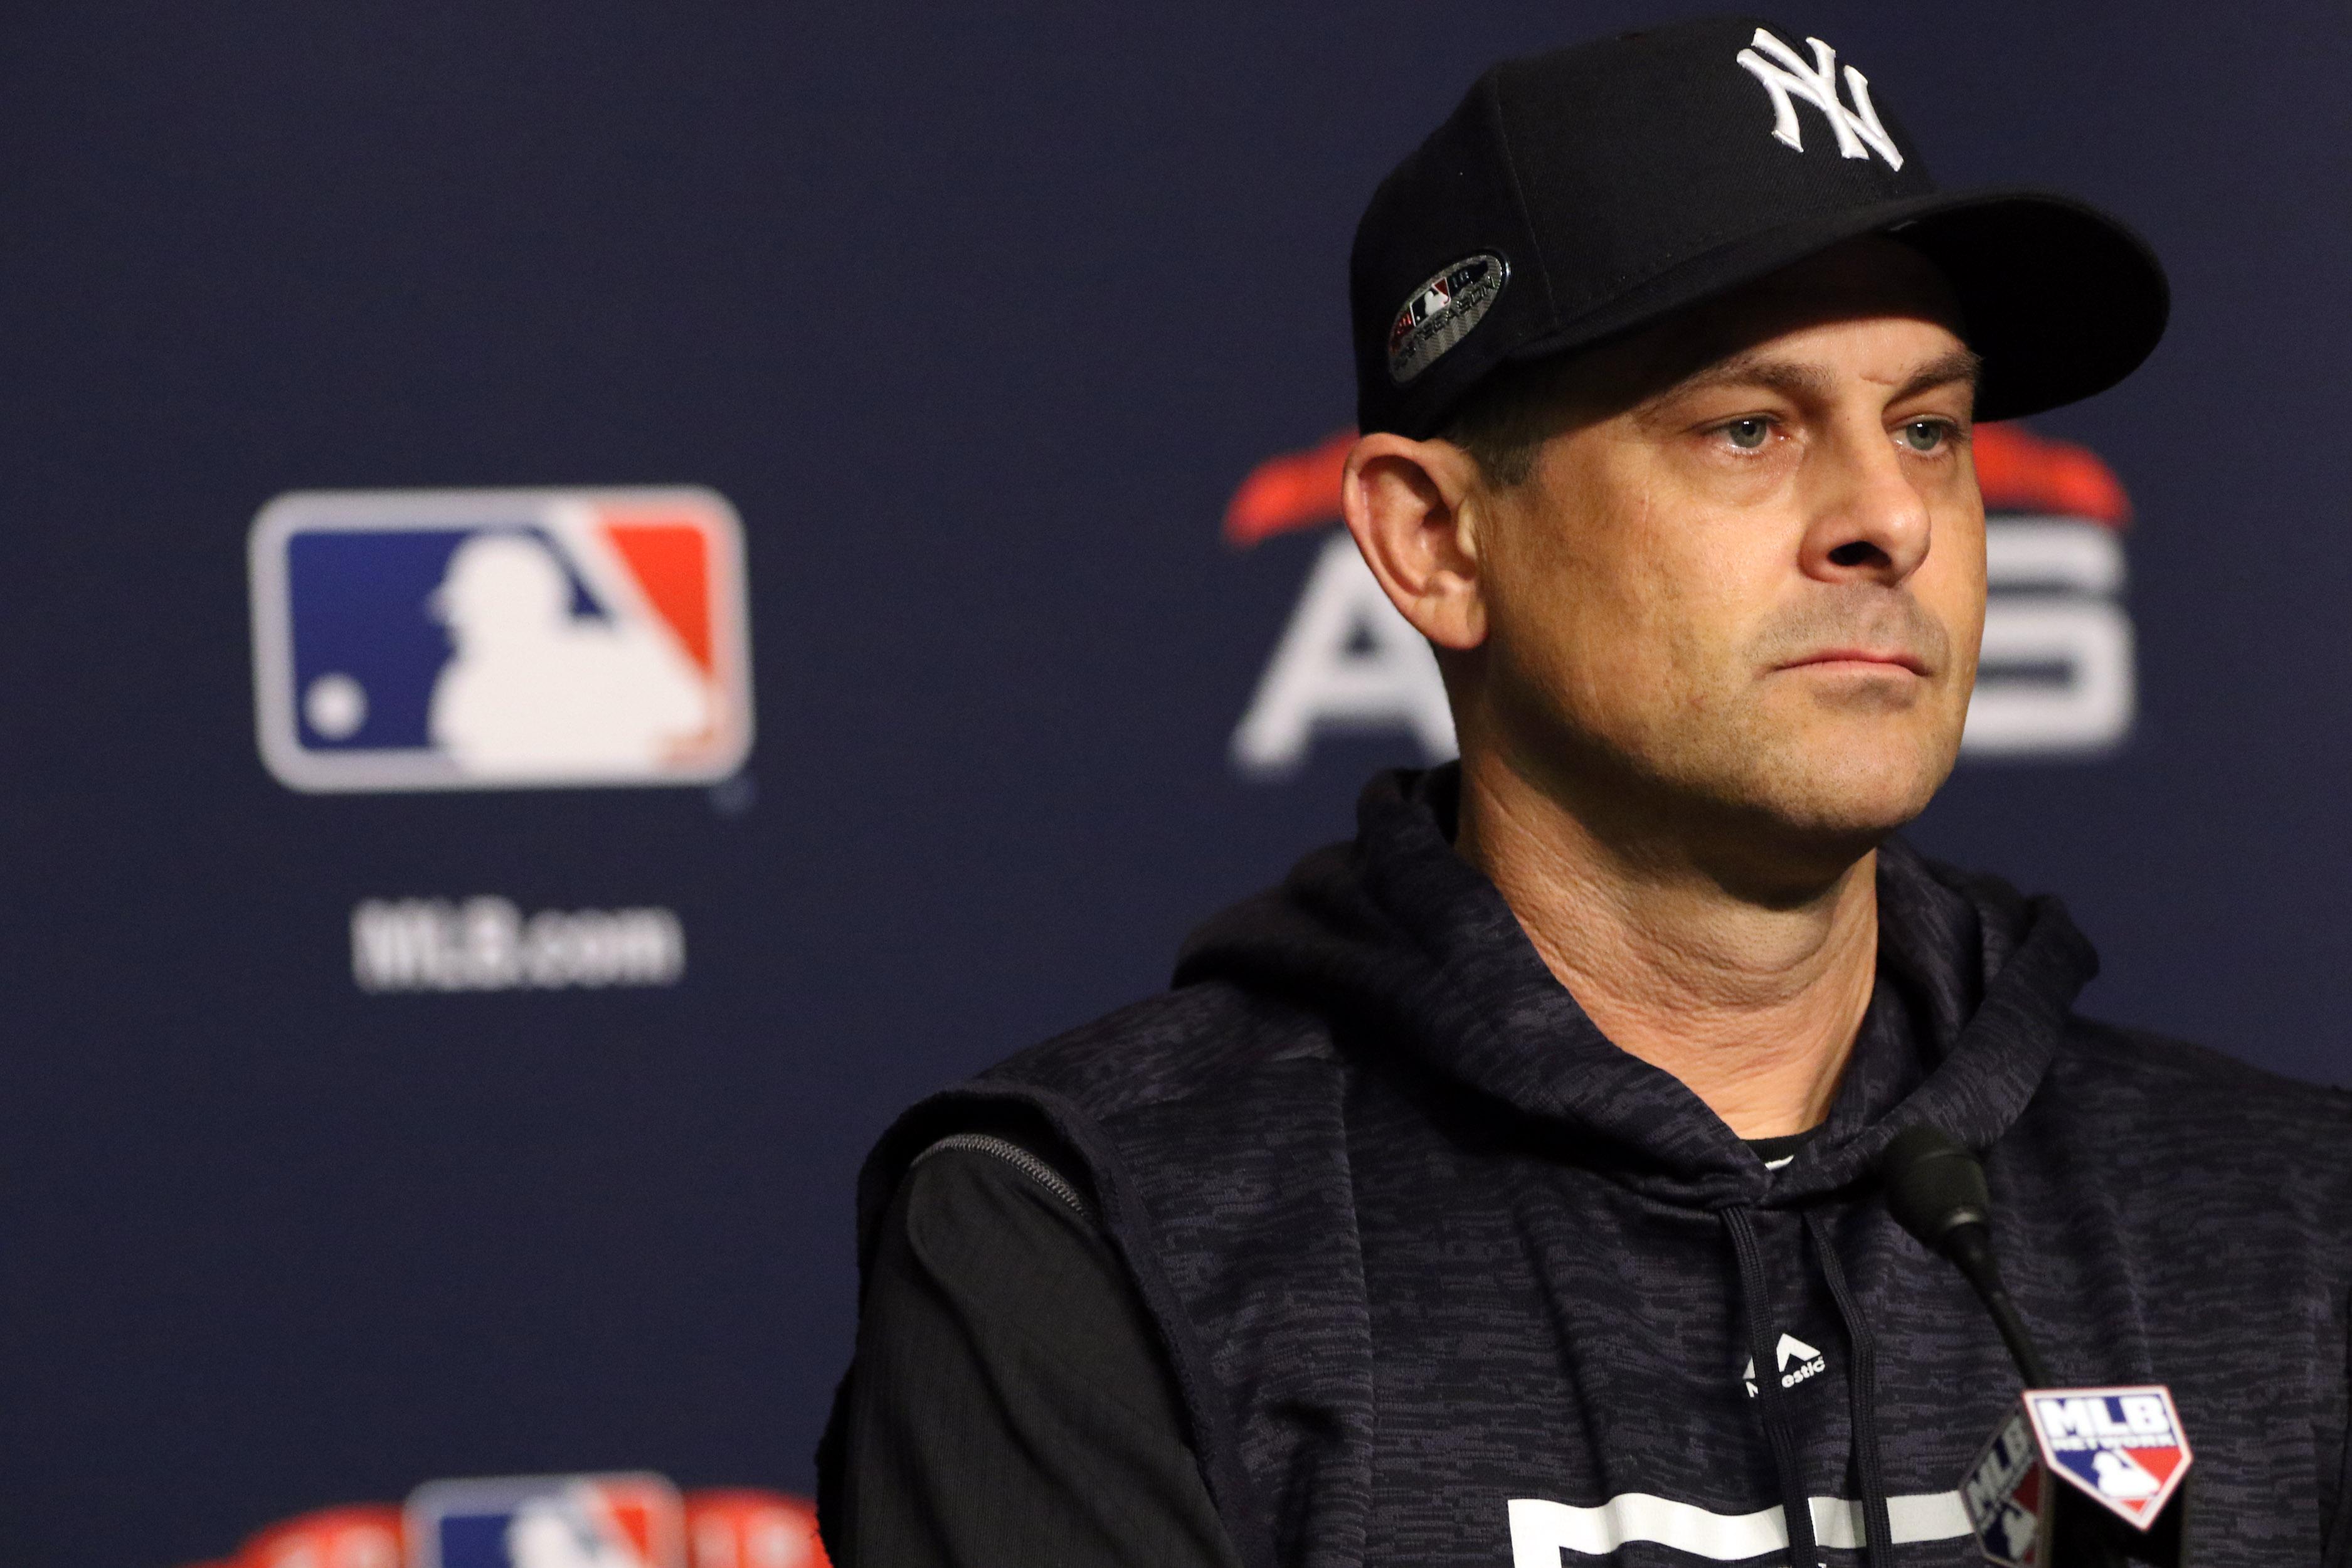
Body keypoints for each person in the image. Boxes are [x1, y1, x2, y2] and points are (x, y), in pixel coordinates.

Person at [820, 16, 2352, 1567]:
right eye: (1748, 426)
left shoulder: (2294, 1225)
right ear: (1433, 540)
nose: (1891, 516)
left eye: (1930, 428)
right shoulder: (1085, 1236)